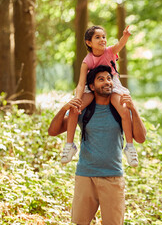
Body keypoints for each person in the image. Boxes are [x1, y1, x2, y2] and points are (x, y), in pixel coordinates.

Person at [48, 65, 146, 224]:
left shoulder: (120, 110)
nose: (107, 82)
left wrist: (133, 109)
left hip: (113, 176)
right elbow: (53, 131)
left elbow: (141, 138)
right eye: (101, 79)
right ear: (92, 86)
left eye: (109, 78)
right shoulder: (83, 110)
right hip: (85, 176)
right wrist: (65, 107)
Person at [61, 25, 139, 167]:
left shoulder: (110, 52)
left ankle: (129, 147)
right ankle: (69, 145)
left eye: (104, 37)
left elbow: (120, 44)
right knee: (73, 108)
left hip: (111, 83)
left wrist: (126, 36)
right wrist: (78, 99)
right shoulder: (87, 61)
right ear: (89, 42)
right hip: (92, 85)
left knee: (124, 109)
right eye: (98, 37)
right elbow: (81, 83)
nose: (102, 39)